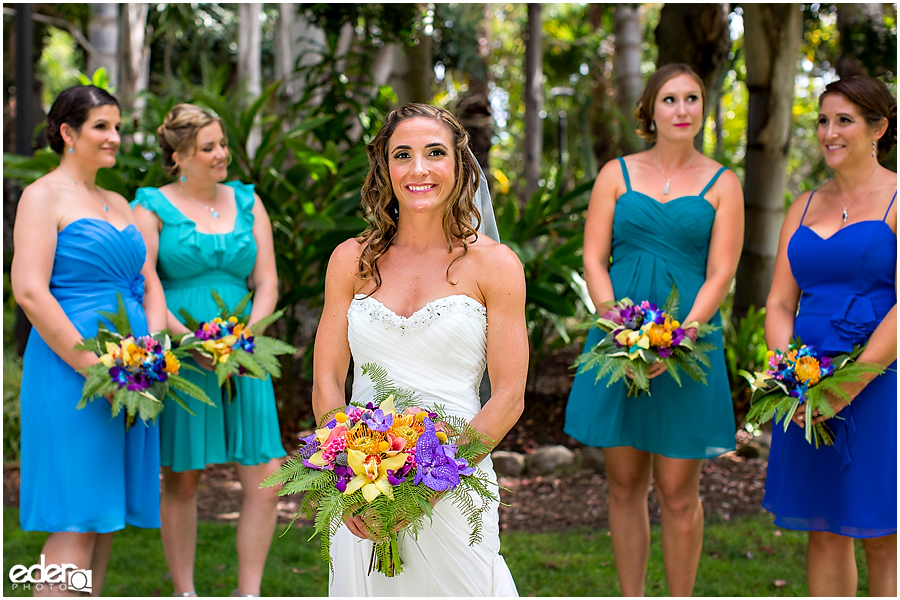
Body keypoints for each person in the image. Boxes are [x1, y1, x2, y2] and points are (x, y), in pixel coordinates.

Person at [314, 103, 527, 596]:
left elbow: (509, 396)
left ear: (459, 166)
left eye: (435, 153)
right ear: (384, 168)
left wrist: (431, 486)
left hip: (456, 488)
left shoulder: (494, 266)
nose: (419, 169)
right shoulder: (351, 260)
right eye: (402, 155)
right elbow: (328, 381)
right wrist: (346, 474)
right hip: (363, 489)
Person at [563, 64, 744, 596]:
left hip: (689, 342)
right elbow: (594, 259)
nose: (683, 109)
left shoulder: (723, 182)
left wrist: (682, 336)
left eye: (692, 99)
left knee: (678, 489)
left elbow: (722, 273)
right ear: (649, 111)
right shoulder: (615, 174)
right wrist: (618, 326)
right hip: (618, 338)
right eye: (670, 99)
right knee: (623, 484)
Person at [12, 85, 162, 596]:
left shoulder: (116, 201)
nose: (114, 137)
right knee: (74, 521)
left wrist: (151, 357)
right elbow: (30, 291)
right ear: (67, 133)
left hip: (132, 374)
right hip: (70, 372)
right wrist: (97, 366)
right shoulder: (42, 196)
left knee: (101, 520)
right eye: (102, 126)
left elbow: (148, 284)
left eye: (118, 126)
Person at [131, 104, 285, 597]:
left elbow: (266, 280)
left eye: (222, 144)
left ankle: (250, 591)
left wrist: (246, 340)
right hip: (181, 348)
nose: (222, 154)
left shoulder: (248, 200)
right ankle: (185, 591)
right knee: (183, 478)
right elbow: (145, 278)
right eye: (209, 147)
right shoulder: (150, 205)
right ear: (178, 157)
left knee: (267, 476)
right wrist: (188, 339)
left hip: (244, 351)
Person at [763, 76, 897, 597]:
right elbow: (779, 300)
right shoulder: (801, 205)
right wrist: (790, 376)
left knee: (882, 531)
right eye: (823, 120)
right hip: (806, 383)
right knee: (823, 528)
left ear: (878, 128)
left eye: (844, 120)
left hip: (882, 382)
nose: (829, 132)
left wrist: (849, 385)